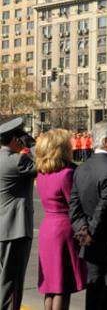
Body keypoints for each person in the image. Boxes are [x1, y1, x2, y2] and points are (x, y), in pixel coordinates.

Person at [69, 121, 107, 309]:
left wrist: (82, 230)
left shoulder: (81, 168)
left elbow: (74, 206)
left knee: (94, 297)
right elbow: (106, 204)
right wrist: (91, 232)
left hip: (90, 246)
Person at [35, 129, 87, 310]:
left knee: (51, 285)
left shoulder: (42, 173)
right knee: (62, 286)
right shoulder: (66, 174)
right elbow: (74, 204)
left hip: (48, 228)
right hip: (63, 228)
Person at [0, 118, 37, 310]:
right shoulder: (18, 161)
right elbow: (43, 162)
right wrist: (32, 143)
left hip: (2, 228)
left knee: (4, 281)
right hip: (15, 230)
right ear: (16, 139)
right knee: (13, 283)